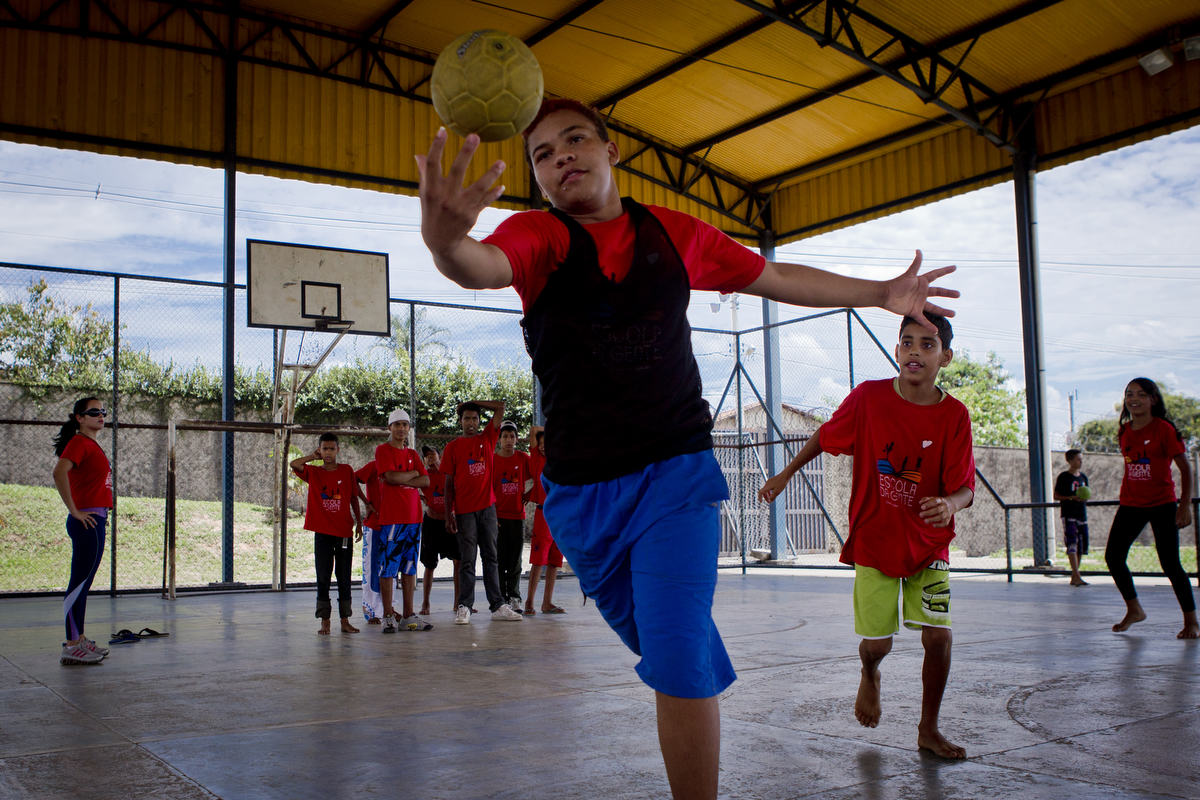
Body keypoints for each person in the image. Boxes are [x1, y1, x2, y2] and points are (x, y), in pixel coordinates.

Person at [415, 98, 957, 797]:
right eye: (543, 155)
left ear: (613, 152)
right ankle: (690, 661)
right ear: (539, 180)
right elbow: (479, 265)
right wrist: (442, 239)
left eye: (575, 140)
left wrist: (882, 291)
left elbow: (777, 277)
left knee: (674, 656)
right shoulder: (538, 237)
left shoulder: (673, 234)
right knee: (675, 646)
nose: (561, 158)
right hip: (582, 496)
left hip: (676, 474)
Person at [759, 313, 974, 760]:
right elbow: (825, 435)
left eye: (928, 345)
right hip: (876, 541)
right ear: (897, 351)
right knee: (878, 644)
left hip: (929, 542)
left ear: (945, 357)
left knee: (939, 636)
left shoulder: (954, 415)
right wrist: (784, 475)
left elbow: (965, 487)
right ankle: (870, 673)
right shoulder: (870, 398)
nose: (915, 351)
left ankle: (928, 729)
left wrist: (950, 504)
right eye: (907, 342)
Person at [1105, 378, 1198, 639]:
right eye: (1129, 394)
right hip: (1131, 504)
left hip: (1162, 504)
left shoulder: (1164, 429)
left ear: (1153, 399)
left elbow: (1185, 468)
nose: (1134, 399)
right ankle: (1134, 609)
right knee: (1113, 556)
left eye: (1141, 394)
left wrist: (1184, 505)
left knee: (1171, 564)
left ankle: (1191, 621)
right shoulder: (1124, 431)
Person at [441, 400, 523, 623]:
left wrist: (474, 403)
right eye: (466, 418)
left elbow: (501, 407)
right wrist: (449, 514)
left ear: (479, 421)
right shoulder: (452, 447)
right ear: (460, 422)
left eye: (474, 418)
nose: (471, 422)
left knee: (491, 557)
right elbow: (448, 484)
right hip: (465, 512)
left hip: (488, 509)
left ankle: (497, 605)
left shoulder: (487, 438)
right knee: (467, 560)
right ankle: (464, 606)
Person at [52, 397, 113, 665]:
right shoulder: (78, 442)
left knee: (84, 584)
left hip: (96, 520)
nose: (100, 415)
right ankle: (71, 644)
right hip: (86, 521)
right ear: (79, 417)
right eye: (93, 412)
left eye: (102, 411)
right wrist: (75, 511)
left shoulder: (90, 444)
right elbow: (59, 472)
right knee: (78, 584)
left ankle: (80, 638)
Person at [291, 433, 363, 635]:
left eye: (332, 448)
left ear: (338, 450)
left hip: (343, 533)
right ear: (319, 450)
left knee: (344, 576)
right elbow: (294, 464)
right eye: (324, 449)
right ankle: (325, 621)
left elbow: (353, 498)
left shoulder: (347, 470)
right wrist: (311, 457)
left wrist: (358, 522)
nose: (328, 452)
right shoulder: (313, 471)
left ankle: (345, 619)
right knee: (323, 576)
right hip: (322, 533)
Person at [374, 409, 432, 632]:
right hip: (392, 521)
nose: (401, 429)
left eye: (405, 425)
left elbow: (425, 481)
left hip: (413, 520)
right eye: (397, 424)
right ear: (390, 427)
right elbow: (390, 477)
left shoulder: (413, 454)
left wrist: (405, 476)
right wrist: (411, 474)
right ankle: (388, 615)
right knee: (388, 568)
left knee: (409, 568)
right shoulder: (383, 450)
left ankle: (408, 615)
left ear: (409, 429)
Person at [524, 426, 565, 616]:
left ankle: (547, 602)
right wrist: (549, 431)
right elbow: (534, 430)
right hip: (543, 514)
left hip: (559, 515)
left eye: (546, 444)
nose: (542, 447)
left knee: (555, 561)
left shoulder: (558, 461)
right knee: (538, 561)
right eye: (540, 444)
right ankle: (529, 602)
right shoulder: (536, 459)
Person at [493, 420, 531, 611]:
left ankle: (515, 596)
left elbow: (540, 474)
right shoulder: (493, 461)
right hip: (498, 517)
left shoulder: (523, 458)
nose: (509, 440)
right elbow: (488, 490)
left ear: (516, 439)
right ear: (499, 439)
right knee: (499, 559)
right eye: (505, 436)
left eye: (512, 436)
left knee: (515, 560)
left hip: (517, 516)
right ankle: (501, 598)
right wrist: (492, 516)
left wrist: (531, 494)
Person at [418, 444, 460, 616]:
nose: (430, 458)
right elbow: (412, 489)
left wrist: (454, 516)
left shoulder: (450, 474)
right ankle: (425, 603)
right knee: (429, 565)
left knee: (458, 562)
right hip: (431, 522)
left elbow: (458, 494)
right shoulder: (424, 476)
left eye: (432, 454)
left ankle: (458, 603)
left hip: (450, 521)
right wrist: (421, 498)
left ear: (439, 455)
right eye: (426, 456)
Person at [354, 458, 385, 624]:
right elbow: (354, 479)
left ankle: (388, 609)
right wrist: (366, 503)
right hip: (375, 526)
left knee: (390, 570)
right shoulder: (375, 465)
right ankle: (371, 610)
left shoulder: (405, 466)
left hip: (394, 526)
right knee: (371, 568)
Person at [1053, 449, 1090, 586]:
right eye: (1077, 459)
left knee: (1081, 545)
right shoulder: (1064, 477)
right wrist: (1070, 498)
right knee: (1072, 543)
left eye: (1081, 459)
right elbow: (1056, 496)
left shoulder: (1083, 477)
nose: (1080, 462)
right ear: (1070, 461)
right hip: (1069, 514)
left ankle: (1075, 574)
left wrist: (1083, 498)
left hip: (1082, 514)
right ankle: (1076, 574)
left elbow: (1087, 493)